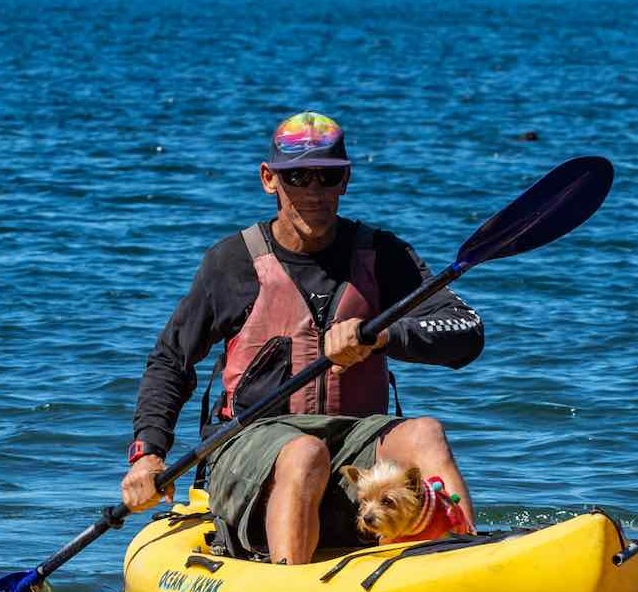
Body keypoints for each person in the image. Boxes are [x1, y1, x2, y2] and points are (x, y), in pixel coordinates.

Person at [117, 112, 485, 564]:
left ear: (345, 180)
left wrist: (382, 337)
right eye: (297, 176)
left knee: (425, 432)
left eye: (327, 177)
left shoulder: (383, 255)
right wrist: (149, 454)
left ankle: (465, 558)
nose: (313, 192)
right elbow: (171, 361)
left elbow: (466, 333)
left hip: (356, 444)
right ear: (269, 179)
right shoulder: (230, 263)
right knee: (305, 452)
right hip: (252, 446)